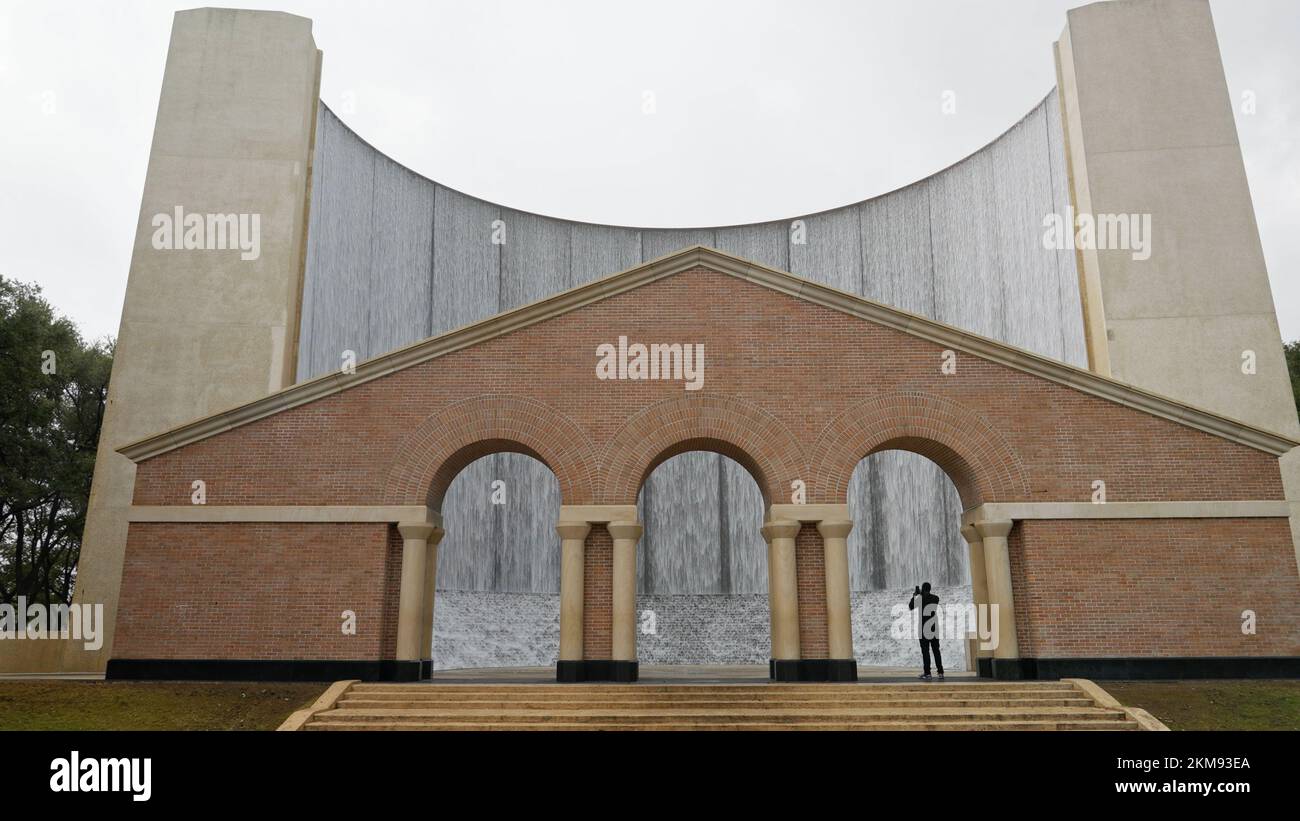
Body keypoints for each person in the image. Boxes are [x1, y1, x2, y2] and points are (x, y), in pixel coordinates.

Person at [908, 582, 944, 681]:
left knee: (925, 652)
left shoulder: (920, 599)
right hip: (934, 628)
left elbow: (910, 607)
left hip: (923, 629)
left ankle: (927, 673)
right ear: (930, 589)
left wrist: (915, 596)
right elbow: (931, 599)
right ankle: (940, 672)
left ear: (922, 589)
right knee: (936, 651)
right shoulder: (936, 598)